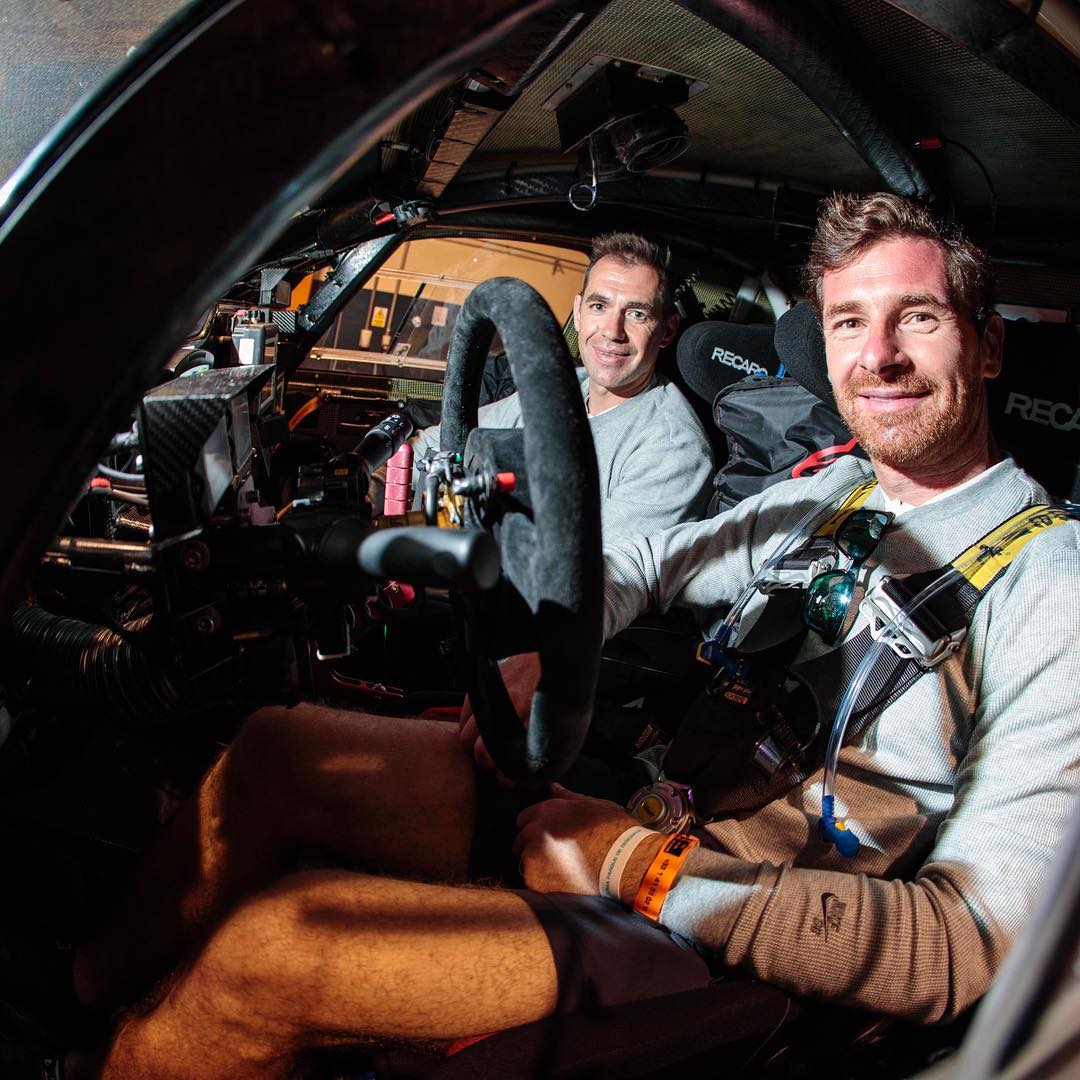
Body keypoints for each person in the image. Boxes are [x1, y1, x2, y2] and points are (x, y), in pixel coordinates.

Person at [66, 194, 1079, 1079]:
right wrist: (562, 639)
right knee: (275, 752)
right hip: (645, 804)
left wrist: (636, 864)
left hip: (726, 931)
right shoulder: (837, 491)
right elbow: (645, 563)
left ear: (989, 347)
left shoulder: (1050, 584)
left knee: (275, 952)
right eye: (851, 321)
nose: (879, 355)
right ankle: (82, 1008)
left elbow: (965, 944)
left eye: (919, 318)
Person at [407, 231, 715, 540]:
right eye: (599, 306)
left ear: (666, 331)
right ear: (578, 312)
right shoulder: (566, 389)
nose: (612, 331)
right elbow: (440, 441)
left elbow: (594, 563)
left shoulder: (672, 448)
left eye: (636, 314)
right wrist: (384, 477)